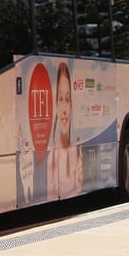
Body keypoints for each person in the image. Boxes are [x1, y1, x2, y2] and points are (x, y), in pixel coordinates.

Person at [48, 62, 81, 198]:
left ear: (72, 105)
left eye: (67, 99)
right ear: (55, 105)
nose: (64, 109)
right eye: (60, 99)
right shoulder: (52, 157)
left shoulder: (79, 152)